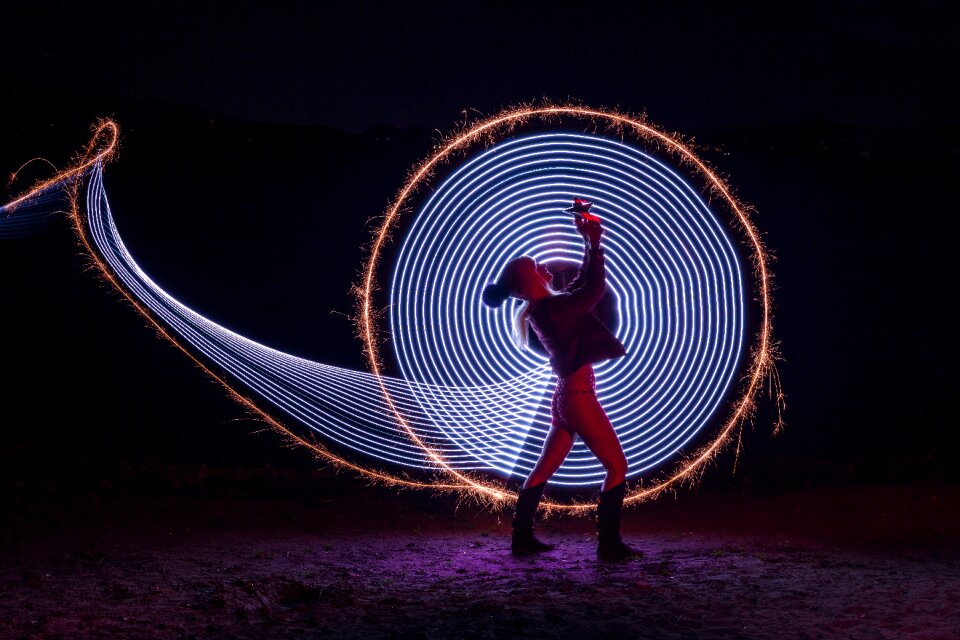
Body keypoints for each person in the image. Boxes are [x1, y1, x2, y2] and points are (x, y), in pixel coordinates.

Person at [481, 200, 641, 561]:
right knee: (617, 466)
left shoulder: (545, 309)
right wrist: (596, 244)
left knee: (542, 470)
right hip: (578, 396)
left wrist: (589, 242)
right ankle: (610, 546)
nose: (545, 267)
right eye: (537, 267)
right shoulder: (551, 309)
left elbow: (584, 287)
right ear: (530, 281)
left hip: (567, 397)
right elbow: (592, 291)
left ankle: (521, 540)